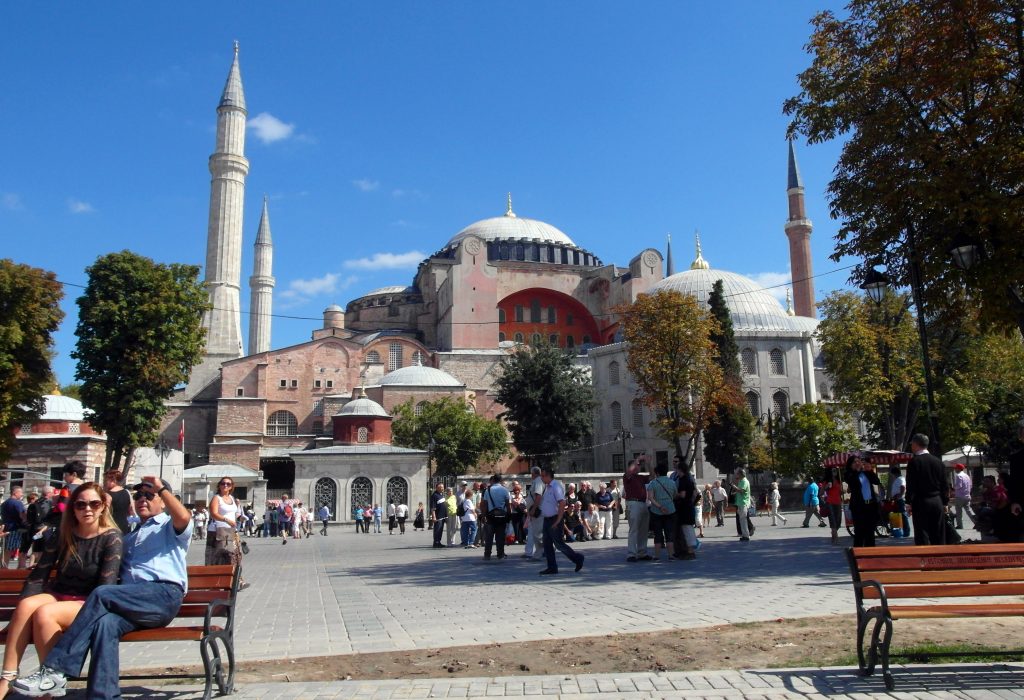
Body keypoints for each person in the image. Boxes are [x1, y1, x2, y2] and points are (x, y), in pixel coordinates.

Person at [13, 476, 193, 699]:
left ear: (164, 501)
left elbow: (184, 516)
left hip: (162, 595)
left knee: (102, 594)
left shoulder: (169, 526)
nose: (142, 500)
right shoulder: (129, 537)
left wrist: (162, 488)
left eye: (149, 495)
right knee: (105, 624)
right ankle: (103, 695)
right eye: (138, 496)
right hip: (130, 602)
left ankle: (55, 670)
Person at [0, 482, 122, 698]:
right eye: (80, 504)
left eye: (94, 504)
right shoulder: (63, 534)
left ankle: (49, 682)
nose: (87, 509)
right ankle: (8, 677)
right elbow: (39, 576)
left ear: (103, 506)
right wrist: (16, 617)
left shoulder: (111, 537)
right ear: (72, 508)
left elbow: (106, 588)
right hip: (59, 594)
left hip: (90, 601)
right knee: (28, 604)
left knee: (45, 613)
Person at [537, 466, 584, 575]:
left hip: (554, 519)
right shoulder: (547, 487)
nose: (541, 478)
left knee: (559, 544)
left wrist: (558, 521)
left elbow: (562, 503)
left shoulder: (555, 486)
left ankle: (577, 558)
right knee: (547, 544)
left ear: (548, 476)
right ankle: (552, 567)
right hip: (547, 519)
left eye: (543, 476)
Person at [906, 433, 950, 545]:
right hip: (937, 500)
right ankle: (940, 557)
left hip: (921, 501)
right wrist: (945, 503)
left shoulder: (914, 462)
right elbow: (945, 485)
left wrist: (908, 503)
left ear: (916, 444)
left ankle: (925, 559)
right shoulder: (938, 462)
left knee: (922, 533)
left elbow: (911, 485)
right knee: (938, 532)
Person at [205, 477, 247, 591]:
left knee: (236, 555)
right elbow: (213, 513)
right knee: (219, 556)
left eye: (228, 484)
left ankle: (237, 581)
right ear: (219, 485)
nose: (225, 485)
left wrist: (239, 518)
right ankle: (217, 582)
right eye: (223, 483)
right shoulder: (216, 498)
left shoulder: (232, 499)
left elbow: (233, 514)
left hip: (231, 530)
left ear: (232, 486)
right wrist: (226, 520)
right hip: (218, 530)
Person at [845, 454, 881, 547]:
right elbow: (852, 483)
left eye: (858, 461)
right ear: (850, 465)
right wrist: (857, 470)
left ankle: (871, 553)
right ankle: (858, 554)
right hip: (858, 507)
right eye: (854, 462)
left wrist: (869, 470)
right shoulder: (849, 474)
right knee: (860, 532)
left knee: (870, 531)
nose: (857, 463)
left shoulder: (866, 473)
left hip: (871, 505)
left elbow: (876, 481)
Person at [623, 458, 652, 562]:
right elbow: (629, 471)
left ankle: (642, 552)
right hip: (633, 503)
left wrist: (648, 464)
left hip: (643, 503)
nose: (639, 466)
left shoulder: (641, 477)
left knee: (644, 530)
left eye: (639, 465)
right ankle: (631, 554)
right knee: (634, 529)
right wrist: (637, 460)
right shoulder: (627, 477)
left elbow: (652, 476)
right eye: (637, 465)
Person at [481, 475, 510, 560]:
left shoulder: (488, 490)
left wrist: (483, 516)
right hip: (502, 516)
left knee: (489, 537)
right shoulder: (505, 490)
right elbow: (508, 505)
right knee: (500, 537)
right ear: (501, 480)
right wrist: (509, 515)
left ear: (493, 480)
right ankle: (500, 554)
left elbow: (484, 504)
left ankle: (487, 555)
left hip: (490, 516)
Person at [25, 486, 54, 567]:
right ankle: (39, 567)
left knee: (36, 549)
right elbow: (48, 517)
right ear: (48, 493)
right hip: (45, 529)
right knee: (45, 549)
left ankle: (31, 565)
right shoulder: (48, 503)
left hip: (35, 528)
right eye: (52, 492)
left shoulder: (37, 501)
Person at [1, 486, 27, 569]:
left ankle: (3, 567)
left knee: (6, 549)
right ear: (15, 493)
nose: (22, 494)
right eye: (21, 492)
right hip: (15, 528)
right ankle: (18, 568)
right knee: (14, 549)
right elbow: (22, 515)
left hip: (6, 528)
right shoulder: (17, 503)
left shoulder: (4, 503)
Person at [523, 466, 545, 560]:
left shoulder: (538, 481)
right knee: (534, 532)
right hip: (535, 511)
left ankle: (540, 553)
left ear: (534, 473)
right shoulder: (537, 481)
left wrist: (533, 508)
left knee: (538, 534)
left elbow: (538, 496)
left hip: (537, 511)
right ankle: (538, 552)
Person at [103, 471, 132, 535]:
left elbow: (105, 513)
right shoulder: (126, 492)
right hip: (125, 524)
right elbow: (130, 510)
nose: (104, 483)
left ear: (113, 480)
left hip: (112, 525)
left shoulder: (108, 495)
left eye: (106, 480)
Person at [952, 463, 976, 529]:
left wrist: (954, 488)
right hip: (967, 495)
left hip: (960, 496)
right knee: (969, 511)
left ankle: (960, 525)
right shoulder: (967, 476)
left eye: (955, 468)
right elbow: (970, 485)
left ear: (958, 469)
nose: (955, 469)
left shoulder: (958, 476)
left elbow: (959, 486)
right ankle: (976, 522)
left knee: (959, 512)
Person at [823, 467, 844, 545]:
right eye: (833, 470)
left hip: (838, 503)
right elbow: (821, 492)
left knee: (838, 522)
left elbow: (840, 492)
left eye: (835, 470)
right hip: (830, 503)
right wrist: (827, 487)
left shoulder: (839, 481)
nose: (835, 472)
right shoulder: (827, 481)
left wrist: (842, 491)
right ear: (830, 472)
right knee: (833, 522)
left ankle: (833, 533)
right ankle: (836, 539)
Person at [732, 468, 752, 541]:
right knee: (742, 520)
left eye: (737, 473)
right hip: (740, 502)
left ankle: (746, 535)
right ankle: (744, 535)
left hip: (743, 502)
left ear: (740, 474)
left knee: (743, 520)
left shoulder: (744, 481)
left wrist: (733, 486)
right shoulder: (741, 481)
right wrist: (735, 492)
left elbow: (742, 491)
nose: (736, 475)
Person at [889, 466, 910, 535]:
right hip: (896, 500)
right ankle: (898, 531)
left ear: (895, 473)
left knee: (903, 516)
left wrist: (900, 495)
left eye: (892, 474)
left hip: (900, 500)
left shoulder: (901, 479)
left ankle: (906, 532)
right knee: (897, 516)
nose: (892, 476)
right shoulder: (898, 479)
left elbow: (903, 487)